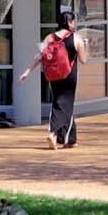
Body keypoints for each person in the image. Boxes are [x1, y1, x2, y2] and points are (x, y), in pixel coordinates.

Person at [23, 13, 84, 150]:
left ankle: (70, 139)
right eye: (74, 21)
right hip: (70, 76)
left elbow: (39, 56)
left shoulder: (49, 37)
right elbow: (83, 60)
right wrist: (85, 45)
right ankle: (53, 133)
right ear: (70, 22)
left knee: (61, 103)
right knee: (63, 105)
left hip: (54, 76)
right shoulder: (76, 38)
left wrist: (27, 71)